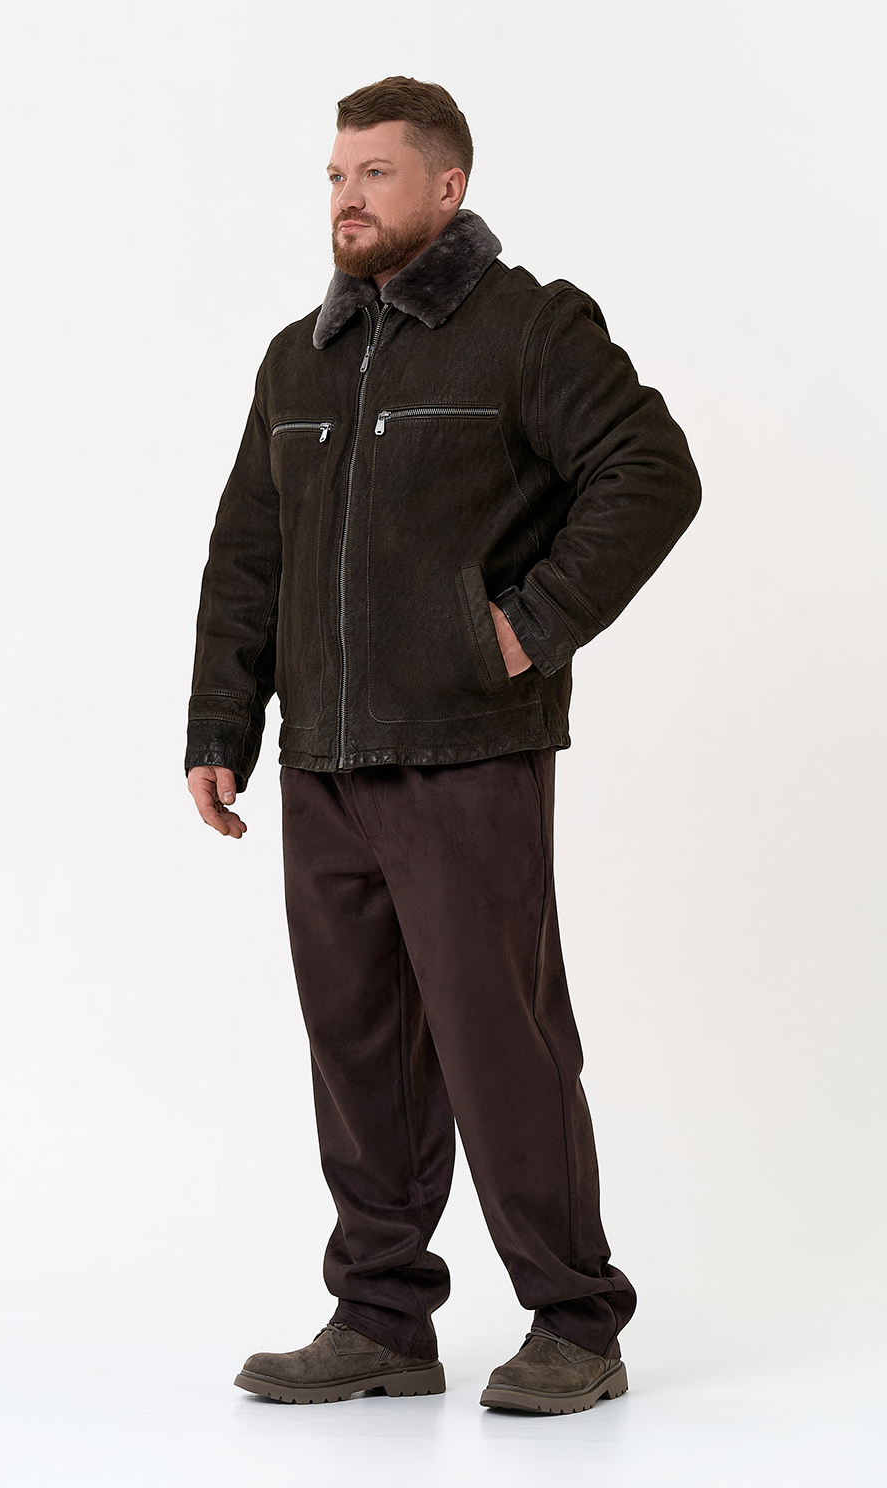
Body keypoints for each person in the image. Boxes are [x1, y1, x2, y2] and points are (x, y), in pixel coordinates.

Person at [186, 76, 701, 1415]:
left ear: (448, 186)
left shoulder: (528, 326)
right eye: (336, 175)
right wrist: (222, 721)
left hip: (468, 753)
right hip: (325, 765)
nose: (347, 199)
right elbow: (250, 552)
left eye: (376, 173)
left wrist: (527, 628)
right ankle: (380, 1318)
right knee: (357, 1051)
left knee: (500, 1046)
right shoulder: (298, 359)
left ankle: (575, 1323)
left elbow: (651, 470)